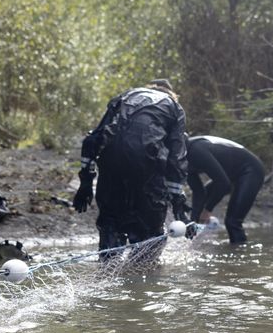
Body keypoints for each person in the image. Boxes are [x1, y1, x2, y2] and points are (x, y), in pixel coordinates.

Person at [72, 79, 196, 258]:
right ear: (172, 95)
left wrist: (85, 182)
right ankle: (141, 280)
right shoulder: (174, 108)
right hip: (148, 169)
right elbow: (176, 159)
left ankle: (108, 274)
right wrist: (179, 205)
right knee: (149, 237)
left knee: (110, 226)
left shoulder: (123, 98)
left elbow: (93, 139)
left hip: (111, 164)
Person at [185, 135, 265, 244]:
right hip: (229, 175)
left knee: (232, 222)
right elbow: (199, 192)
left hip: (251, 170)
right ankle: (195, 237)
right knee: (204, 201)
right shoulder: (182, 160)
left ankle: (240, 254)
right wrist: (193, 222)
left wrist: (207, 210)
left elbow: (224, 185)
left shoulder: (196, 150)